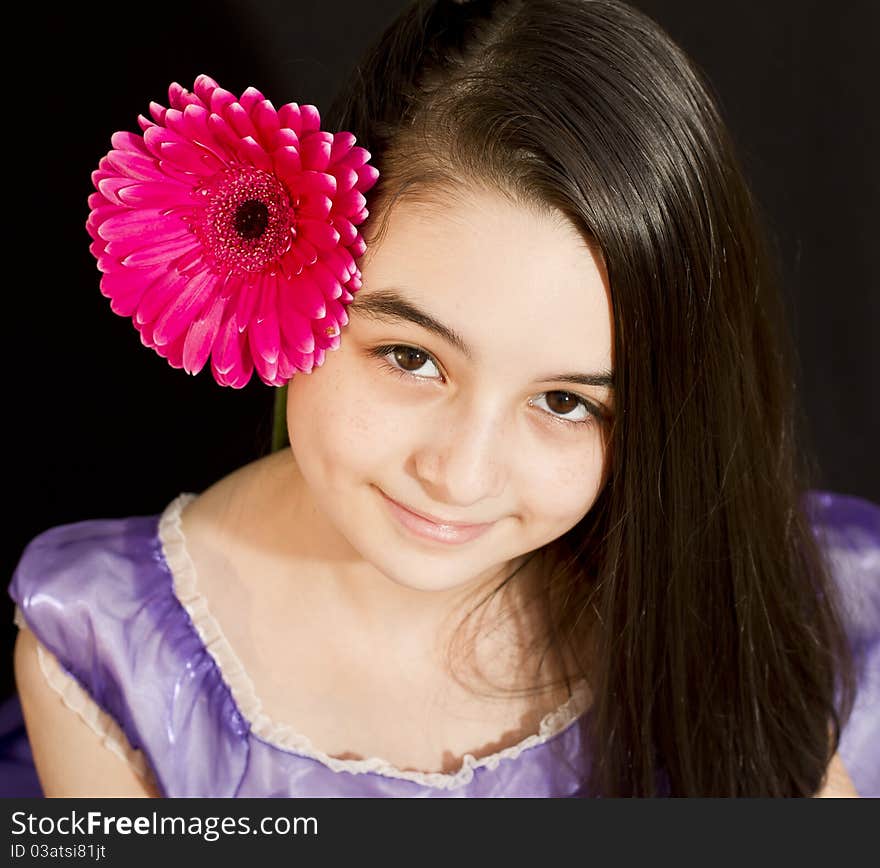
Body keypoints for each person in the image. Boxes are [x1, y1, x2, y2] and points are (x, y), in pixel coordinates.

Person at [6, 0, 878, 797]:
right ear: (293, 277)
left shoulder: (748, 609)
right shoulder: (103, 656)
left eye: (568, 403)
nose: (460, 475)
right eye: (411, 356)